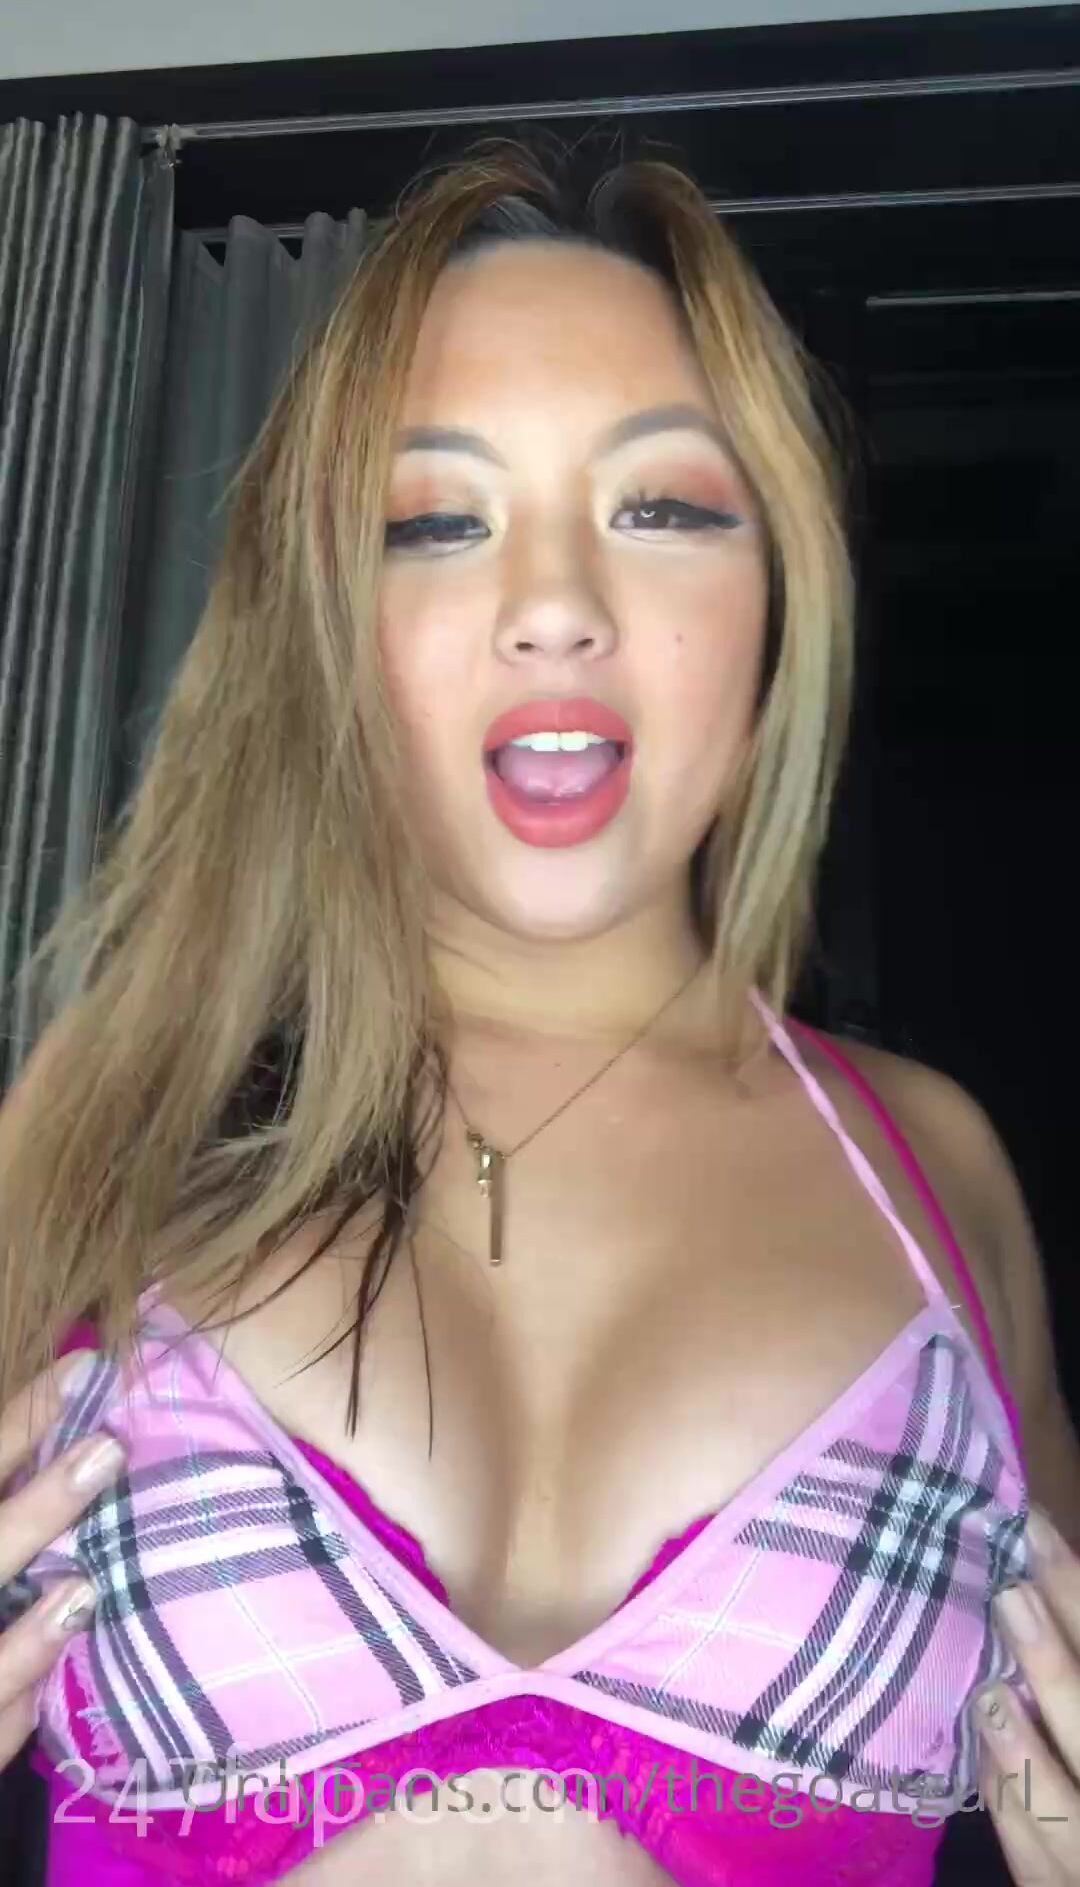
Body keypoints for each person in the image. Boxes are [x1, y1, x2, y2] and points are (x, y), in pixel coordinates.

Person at [0, 133, 1078, 1887]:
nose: (558, 609)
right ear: (322, 616)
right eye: (437, 521)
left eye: (663, 508)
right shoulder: (103, 1120)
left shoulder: (936, 1171)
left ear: (780, 587)